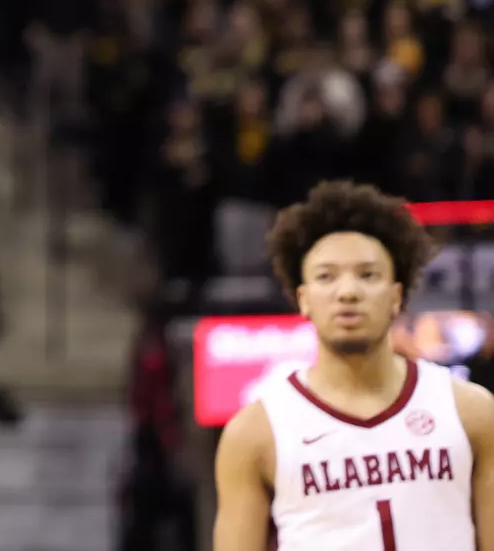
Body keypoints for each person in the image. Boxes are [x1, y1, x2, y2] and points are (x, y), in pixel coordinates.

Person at [212, 180, 494, 551]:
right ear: (304, 299)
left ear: (397, 296)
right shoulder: (254, 434)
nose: (348, 292)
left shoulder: (471, 410)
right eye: (326, 276)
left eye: (368, 275)